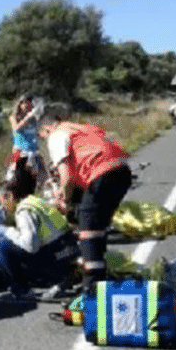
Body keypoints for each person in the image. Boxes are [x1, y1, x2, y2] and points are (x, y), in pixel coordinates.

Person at [38, 114, 132, 293]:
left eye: (43, 138)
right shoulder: (80, 128)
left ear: (45, 130)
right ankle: (101, 273)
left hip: (102, 173)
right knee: (98, 226)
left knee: (88, 229)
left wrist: (63, 199)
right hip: (122, 171)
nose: (45, 141)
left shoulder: (56, 135)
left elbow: (67, 177)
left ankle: (93, 287)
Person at [0, 177, 77, 301]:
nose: (1, 206)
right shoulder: (33, 201)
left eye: (1, 201)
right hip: (67, 250)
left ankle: (22, 291)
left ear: (9, 196)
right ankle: (63, 276)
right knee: (12, 244)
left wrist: (7, 231)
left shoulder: (24, 211)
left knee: (2, 246)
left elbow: (30, 246)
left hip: (57, 257)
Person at [6, 94, 47, 189]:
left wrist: (42, 135)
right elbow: (17, 129)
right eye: (25, 104)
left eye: (30, 104)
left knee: (43, 176)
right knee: (13, 177)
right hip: (19, 151)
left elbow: (35, 134)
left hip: (34, 151)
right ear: (20, 104)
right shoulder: (14, 117)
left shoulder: (33, 119)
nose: (28, 106)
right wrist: (28, 116)